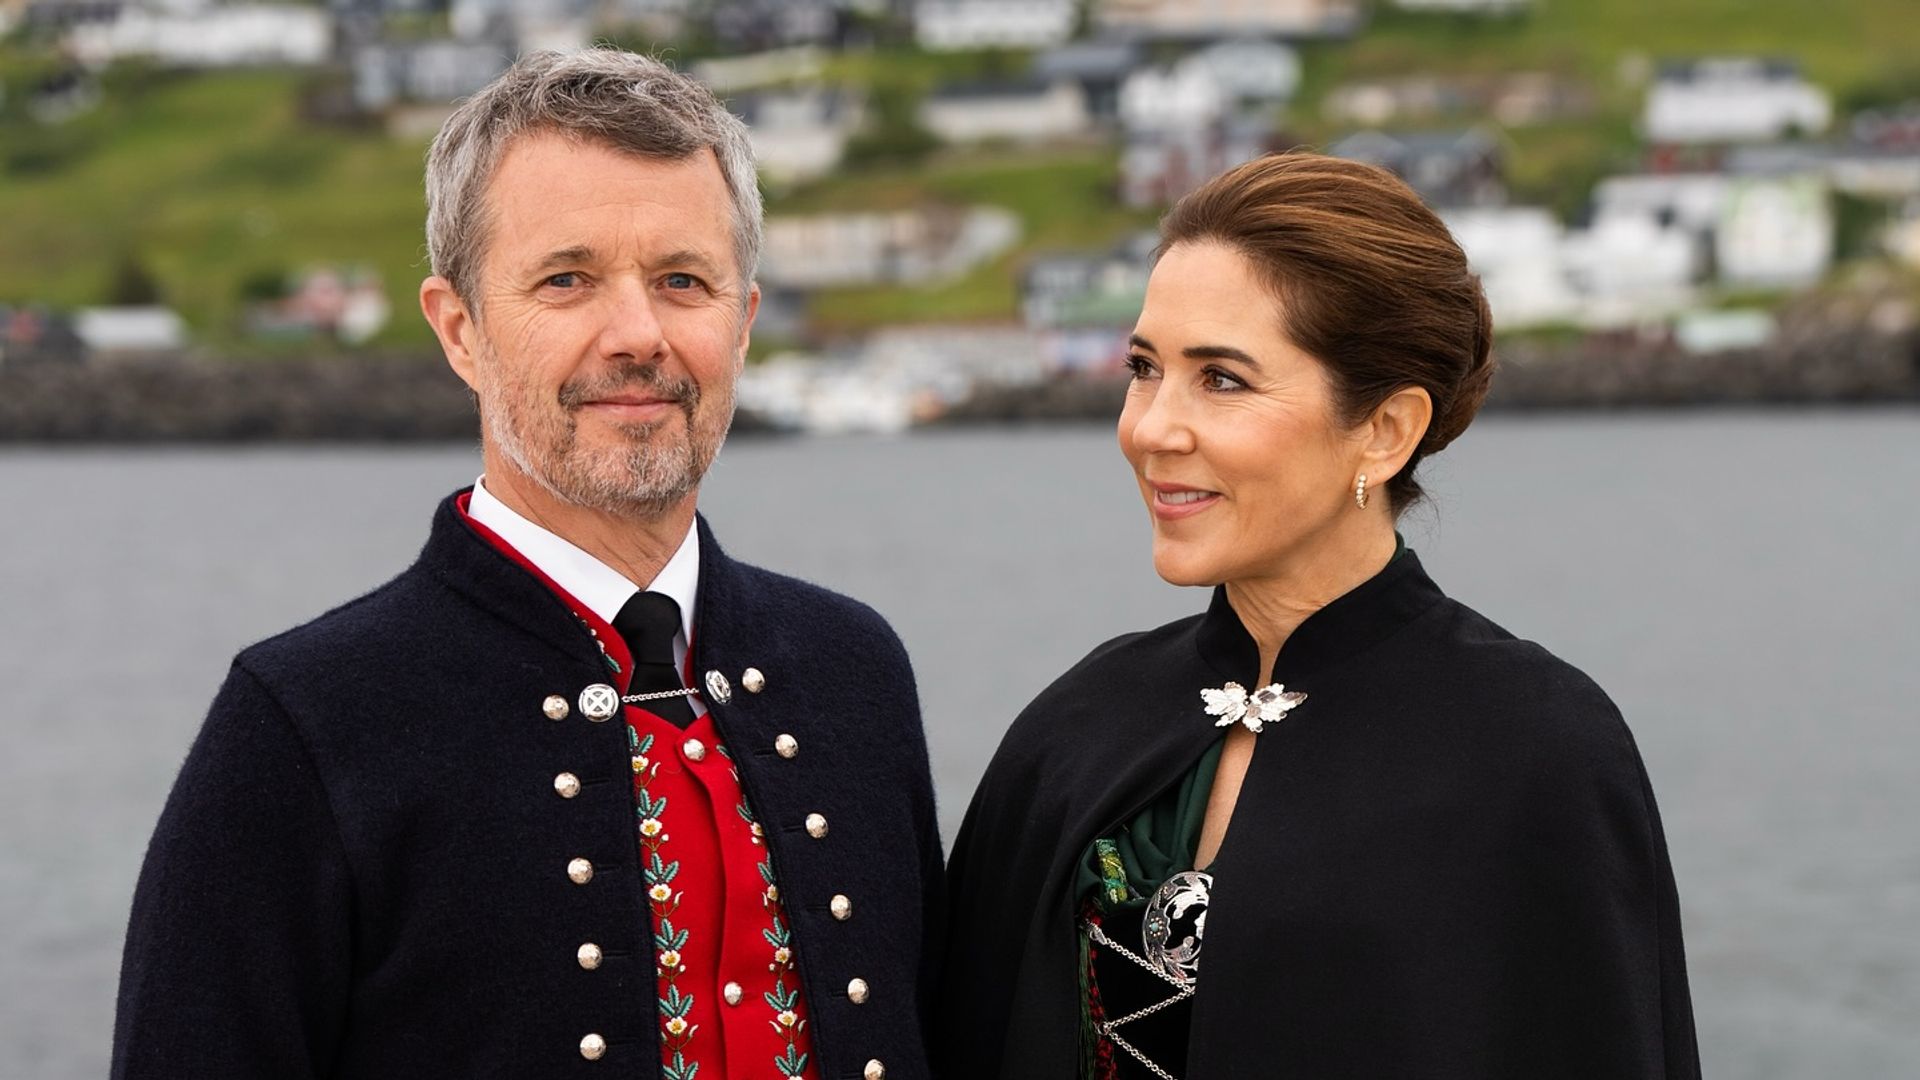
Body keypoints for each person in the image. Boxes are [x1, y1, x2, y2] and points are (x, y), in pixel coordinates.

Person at [111, 50, 940, 1080]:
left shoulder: (852, 668)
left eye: (683, 281)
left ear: (744, 322)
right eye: (567, 280)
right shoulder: (303, 724)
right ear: (459, 330)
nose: (637, 335)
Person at [937, 153, 1701, 1079]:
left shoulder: (1536, 747)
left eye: (1222, 379)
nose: (1151, 428)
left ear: (1384, 430)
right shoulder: (1079, 724)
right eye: (1144, 368)